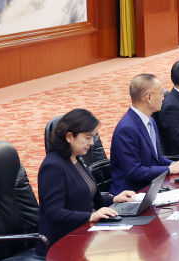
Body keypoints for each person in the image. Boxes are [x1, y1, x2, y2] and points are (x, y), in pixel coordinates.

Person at [38, 108, 138, 253]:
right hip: (63, 242)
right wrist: (90, 216)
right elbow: (54, 212)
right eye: (87, 138)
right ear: (69, 136)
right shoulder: (52, 167)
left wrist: (114, 199)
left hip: (85, 231)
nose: (91, 143)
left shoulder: (76, 158)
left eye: (93, 138)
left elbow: (84, 196)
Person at [110, 74, 179, 194]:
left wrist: (175, 163)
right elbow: (134, 172)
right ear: (149, 97)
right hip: (132, 193)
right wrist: (169, 169)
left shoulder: (150, 120)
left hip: (152, 186)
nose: (163, 98)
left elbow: (155, 160)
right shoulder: (127, 129)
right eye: (161, 93)